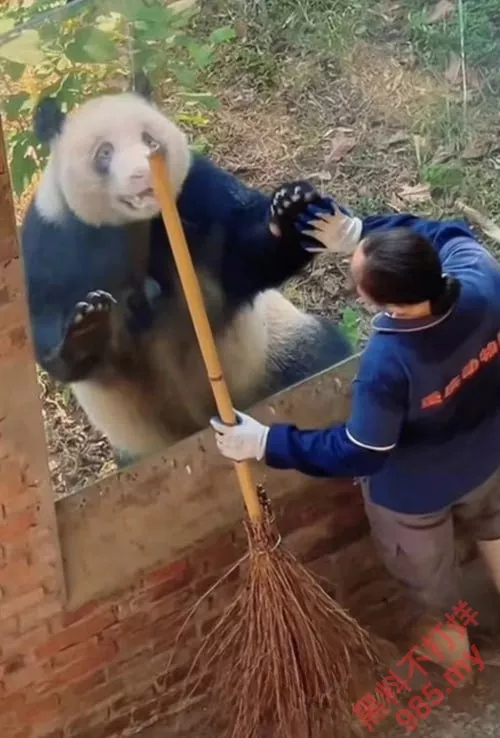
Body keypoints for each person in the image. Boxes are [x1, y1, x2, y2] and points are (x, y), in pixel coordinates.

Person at [210, 198, 500, 671]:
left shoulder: (389, 364)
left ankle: (458, 663)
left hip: (416, 499)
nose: (351, 259)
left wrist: (266, 442)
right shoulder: (482, 282)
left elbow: (361, 450)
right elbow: (444, 231)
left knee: (432, 591)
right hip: (490, 453)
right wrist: (362, 229)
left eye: (355, 267)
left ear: (375, 302)